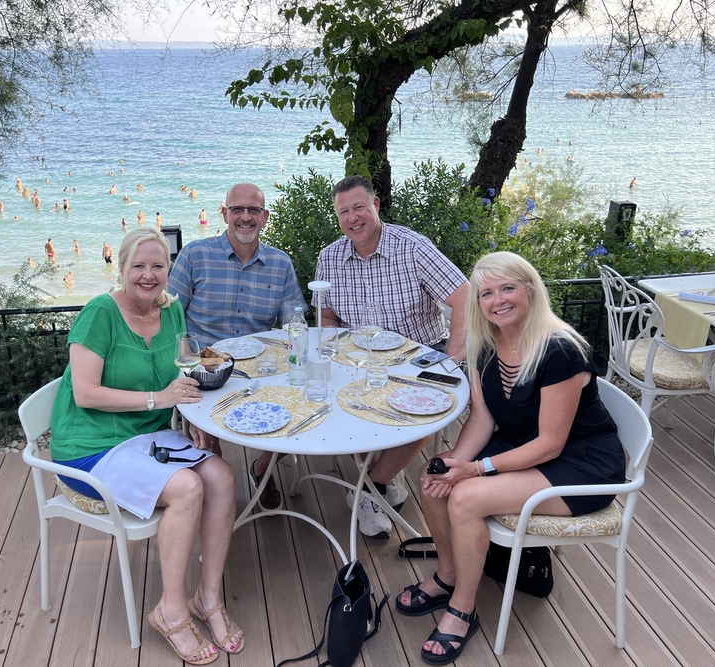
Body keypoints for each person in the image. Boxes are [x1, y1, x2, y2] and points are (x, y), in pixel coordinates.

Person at [394, 251, 625, 664]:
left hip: (579, 462)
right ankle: (448, 577)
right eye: (486, 293)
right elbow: (482, 419)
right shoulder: (486, 346)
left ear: (531, 291)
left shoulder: (560, 350)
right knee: (433, 479)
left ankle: (463, 610)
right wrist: (454, 465)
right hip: (523, 447)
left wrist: (476, 469)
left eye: (508, 288)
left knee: (465, 497)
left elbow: (551, 444)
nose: (498, 300)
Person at [49, 229, 242, 663]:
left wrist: (195, 422)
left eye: (158, 266)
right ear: (121, 269)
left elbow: (184, 375)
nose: (149, 275)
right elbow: (85, 393)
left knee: (222, 476)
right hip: (90, 446)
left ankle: (207, 599)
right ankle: (170, 611)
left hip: (148, 438)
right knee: (189, 488)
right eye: (139, 266)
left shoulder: (171, 312)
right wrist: (160, 400)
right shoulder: (100, 313)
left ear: (169, 270)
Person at [315, 175, 470, 537]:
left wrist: (452, 360)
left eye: (359, 207)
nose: (353, 218)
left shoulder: (412, 247)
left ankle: (372, 485)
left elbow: (464, 298)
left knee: (433, 404)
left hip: (418, 355)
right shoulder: (330, 257)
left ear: (376, 205)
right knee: (334, 399)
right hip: (357, 357)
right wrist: (327, 349)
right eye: (343, 212)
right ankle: (385, 476)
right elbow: (327, 316)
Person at [168, 182, 306, 509]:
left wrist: (298, 353)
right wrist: (182, 367)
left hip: (260, 366)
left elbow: (293, 323)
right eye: (238, 209)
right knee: (208, 445)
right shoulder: (195, 255)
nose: (245, 217)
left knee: (301, 408)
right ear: (225, 212)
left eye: (253, 210)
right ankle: (218, 484)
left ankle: (264, 466)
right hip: (206, 365)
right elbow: (169, 318)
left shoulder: (280, 264)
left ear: (265, 217)